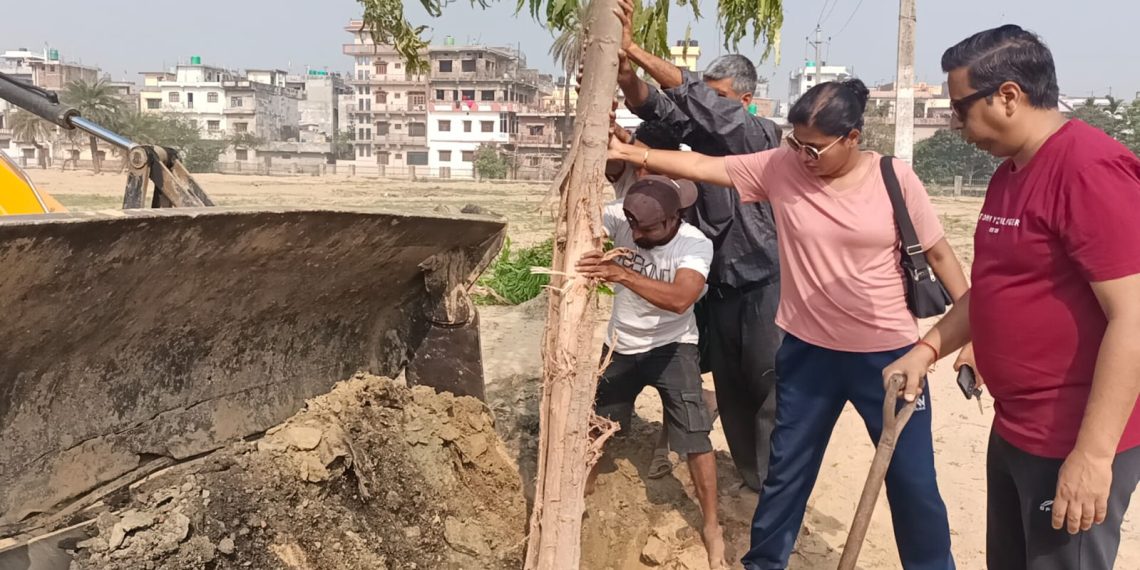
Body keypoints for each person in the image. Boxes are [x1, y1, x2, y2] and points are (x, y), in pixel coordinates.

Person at [608, 79, 968, 570]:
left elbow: (941, 255)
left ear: (852, 138)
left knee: (913, 483)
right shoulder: (782, 167)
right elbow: (703, 166)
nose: (803, 156)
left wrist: (971, 337)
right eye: (795, 143)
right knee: (786, 476)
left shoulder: (893, 178)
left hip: (891, 358)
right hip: (807, 355)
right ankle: (765, 564)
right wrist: (637, 155)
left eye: (814, 148)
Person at [883, 25, 1140, 570]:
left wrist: (1092, 456)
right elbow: (996, 292)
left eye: (959, 109)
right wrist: (927, 349)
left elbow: (1134, 317)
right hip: (1017, 426)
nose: (955, 125)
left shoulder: (1088, 169)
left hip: (1071, 436)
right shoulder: (1009, 175)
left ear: (1007, 96)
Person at [611, 0, 783, 492]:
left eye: (721, 100)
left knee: (770, 384)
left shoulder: (758, 135)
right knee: (731, 387)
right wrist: (627, 78)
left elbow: (696, 106)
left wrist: (638, 50)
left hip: (764, 285)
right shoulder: (702, 141)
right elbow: (668, 110)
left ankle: (773, 484)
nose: (708, 111)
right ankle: (752, 476)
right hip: (719, 286)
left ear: (745, 102)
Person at [576, 175, 725, 569]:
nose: (635, 232)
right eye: (631, 223)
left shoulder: (694, 243)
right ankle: (579, 499)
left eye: (646, 228)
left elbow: (680, 300)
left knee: (695, 437)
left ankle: (712, 526)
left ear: (674, 219)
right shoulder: (625, 218)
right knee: (597, 428)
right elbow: (579, 209)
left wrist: (623, 274)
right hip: (620, 346)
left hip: (673, 348)